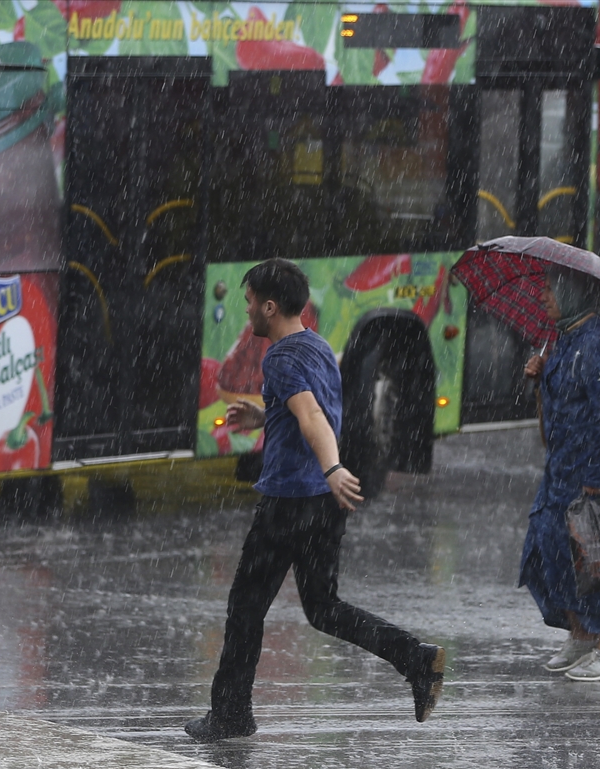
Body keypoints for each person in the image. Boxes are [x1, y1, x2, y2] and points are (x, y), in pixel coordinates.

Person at [185, 258, 445, 742]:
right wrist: (264, 418)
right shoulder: (319, 347)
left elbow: (310, 417)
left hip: (289, 502)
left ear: (269, 306)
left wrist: (332, 467)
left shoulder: (279, 357)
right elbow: (310, 408)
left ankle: (230, 715)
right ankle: (415, 657)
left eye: (249, 304)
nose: (246, 313)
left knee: (245, 608)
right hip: (323, 506)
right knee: (324, 608)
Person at [521, 266, 600, 682]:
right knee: (556, 544)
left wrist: (599, 475)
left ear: (573, 290)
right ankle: (581, 635)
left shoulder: (597, 343)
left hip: (597, 467)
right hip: (564, 467)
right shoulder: (564, 337)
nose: (543, 293)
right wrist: (541, 378)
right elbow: (559, 407)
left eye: (551, 285)